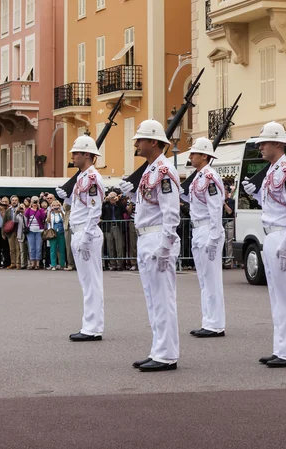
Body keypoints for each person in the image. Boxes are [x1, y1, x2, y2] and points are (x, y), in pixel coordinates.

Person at [119, 119, 181, 372]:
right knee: (153, 299)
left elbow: (171, 212)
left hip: (157, 238)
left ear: (153, 142)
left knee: (162, 298)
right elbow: (149, 203)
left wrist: (166, 245)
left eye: (140, 139)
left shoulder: (164, 171)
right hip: (146, 237)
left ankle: (167, 354)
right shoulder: (150, 170)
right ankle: (158, 349)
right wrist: (132, 195)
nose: (136, 143)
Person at [242, 122, 286, 368]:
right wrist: (255, 194)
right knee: (276, 296)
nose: (260, 147)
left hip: (282, 236)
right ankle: (281, 347)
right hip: (271, 235)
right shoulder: (272, 170)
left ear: (278, 143)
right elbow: (274, 203)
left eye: (264, 142)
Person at [55, 135, 105, 342]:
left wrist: (87, 235)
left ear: (87, 154)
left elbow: (95, 210)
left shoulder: (92, 178)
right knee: (86, 282)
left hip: (87, 232)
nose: (72, 156)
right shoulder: (82, 178)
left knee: (91, 282)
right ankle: (89, 324)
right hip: (79, 231)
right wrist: (67, 197)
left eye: (76, 153)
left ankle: (93, 327)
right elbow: (81, 206)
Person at [184, 137, 226, 338]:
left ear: (204, 156)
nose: (190, 156)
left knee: (212, 279)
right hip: (199, 229)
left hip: (208, 229)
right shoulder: (199, 177)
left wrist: (214, 237)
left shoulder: (210, 177)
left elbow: (216, 209)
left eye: (194, 153)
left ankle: (216, 323)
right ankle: (208, 320)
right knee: (204, 279)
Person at [101, 191, 126, 270]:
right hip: (108, 227)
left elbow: (124, 210)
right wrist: (105, 201)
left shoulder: (118, 204)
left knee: (119, 246)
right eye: (111, 198)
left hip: (117, 226)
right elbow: (101, 212)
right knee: (110, 246)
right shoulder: (106, 205)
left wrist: (117, 201)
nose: (112, 200)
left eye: (113, 197)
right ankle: (113, 264)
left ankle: (120, 264)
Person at [24, 196, 46, 269]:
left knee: (38, 247)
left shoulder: (41, 210)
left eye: (36, 201)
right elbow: (26, 214)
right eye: (33, 201)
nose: (35, 203)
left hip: (39, 231)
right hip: (30, 231)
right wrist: (30, 206)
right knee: (32, 247)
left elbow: (43, 217)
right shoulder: (29, 210)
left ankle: (37, 264)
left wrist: (39, 208)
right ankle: (32, 263)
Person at [47, 200, 66, 270]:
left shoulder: (62, 213)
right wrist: (49, 212)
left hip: (61, 232)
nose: (55, 207)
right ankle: (53, 264)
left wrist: (60, 211)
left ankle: (62, 264)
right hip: (53, 233)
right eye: (54, 205)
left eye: (57, 205)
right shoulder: (51, 214)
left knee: (61, 249)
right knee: (53, 249)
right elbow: (48, 221)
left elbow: (65, 219)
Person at [4, 195, 20, 269]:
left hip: (19, 230)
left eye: (15, 200)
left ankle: (18, 263)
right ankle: (13, 263)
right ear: (11, 201)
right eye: (13, 200)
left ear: (18, 201)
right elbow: (5, 221)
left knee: (18, 248)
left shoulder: (20, 208)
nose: (14, 201)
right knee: (12, 248)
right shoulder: (8, 210)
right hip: (10, 231)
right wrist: (3, 232)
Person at [222, 186, 235, 268]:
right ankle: (221, 260)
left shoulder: (231, 201)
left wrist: (224, 204)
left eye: (225, 193)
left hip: (229, 222)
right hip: (221, 222)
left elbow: (230, 212)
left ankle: (228, 261)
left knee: (228, 242)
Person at [15, 203, 29, 269]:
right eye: (20, 207)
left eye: (22, 206)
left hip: (28, 233)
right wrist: (16, 212)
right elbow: (14, 221)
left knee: (29, 250)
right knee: (22, 250)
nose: (21, 208)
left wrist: (25, 212)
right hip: (21, 234)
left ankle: (29, 264)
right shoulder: (18, 215)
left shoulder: (28, 213)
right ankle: (23, 264)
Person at [62, 202, 75, 271]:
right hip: (68, 226)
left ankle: (79, 264)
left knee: (79, 246)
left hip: (78, 225)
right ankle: (70, 264)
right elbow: (65, 207)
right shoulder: (68, 198)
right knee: (69, 246)